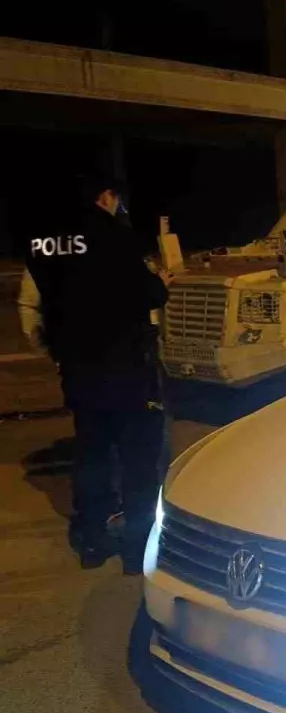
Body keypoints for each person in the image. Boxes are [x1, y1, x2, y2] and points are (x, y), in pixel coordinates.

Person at [22, 174, 169, 573]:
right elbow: (152, 294)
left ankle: (91, 541)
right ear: (105, 196)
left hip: (78, 369)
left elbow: (35, 302)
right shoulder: (112, 235)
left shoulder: (42, 242)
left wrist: (57, 351)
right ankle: (137, 550)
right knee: (139, 459)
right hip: (126, 369)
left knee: (92, 454)